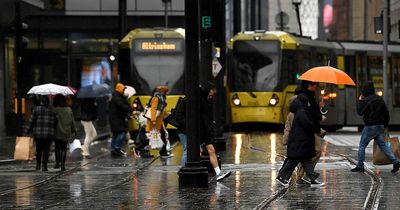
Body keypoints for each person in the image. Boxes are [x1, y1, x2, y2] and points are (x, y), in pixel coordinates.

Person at [351, 81, 400, 173]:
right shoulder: (379, 99)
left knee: (362, 145)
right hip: (380, 126)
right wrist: (385, 125)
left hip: (370, 126)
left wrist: (360, 100)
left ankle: (360, 166)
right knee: (383, 145)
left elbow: (360, 112)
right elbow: (386, 113)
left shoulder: (366, 100)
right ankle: (395, 161)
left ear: (364, 90)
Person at [276, 93, 320, 187]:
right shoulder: (301, 111)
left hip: (301, 141)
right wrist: (316, 129)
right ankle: (281, 177)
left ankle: (313, 178)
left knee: (305, 160)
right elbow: (307, 123)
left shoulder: (299, 110)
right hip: (300, 141)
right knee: (294, 161)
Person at [25, 96, 57, 171]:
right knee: (46, 149)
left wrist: (27, 131)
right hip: (49, 133)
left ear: (40, 102)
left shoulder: (36, 109)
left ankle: (38, 165)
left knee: (38, 149)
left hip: (38, 133)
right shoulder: (52, 110)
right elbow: (56, 121)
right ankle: (44, 166)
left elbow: (31, 121)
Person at [145, 86, 172, 157]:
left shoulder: (161, 98)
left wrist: (164, 114)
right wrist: (153, 120)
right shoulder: (157, 98)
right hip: (154, 121)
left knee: (161, 135)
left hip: (159, 121)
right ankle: (140, 149)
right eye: (165, 91)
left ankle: (163, 151)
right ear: (162, 91)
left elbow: (160, 110)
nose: (166, 93)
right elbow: (153, 109)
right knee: (156, 136)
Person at [109, 82, 134, 157]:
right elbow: (122, 106)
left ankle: (114, 150)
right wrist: (131, 111)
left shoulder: (119, 96)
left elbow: (124, 106)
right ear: (120, 89)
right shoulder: (117, 97)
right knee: (121, 133)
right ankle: (116, 149)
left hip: (117, 118)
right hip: (116, 119)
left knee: (115, 134)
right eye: (123, 89)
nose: (124, 91)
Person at [53, 94, 76, 171]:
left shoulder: (55, 110)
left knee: (57, 147)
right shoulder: (68, 109)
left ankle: (57, 163)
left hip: (57, 131)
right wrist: (74, 130)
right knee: (63, 148)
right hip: (66, 131)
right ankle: (63, 165)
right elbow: (72, 121)